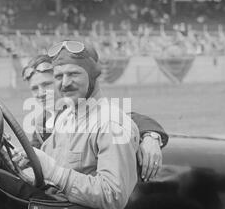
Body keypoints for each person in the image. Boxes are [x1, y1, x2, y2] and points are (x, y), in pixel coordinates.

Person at [13, 41, 163, 209]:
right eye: (58, 76)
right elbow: (44, 164)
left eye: (74, 74)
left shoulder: (111, 122)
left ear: (93, 76)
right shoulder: (64, 118)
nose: (65, 83)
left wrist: (151, 135)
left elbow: (114, 195)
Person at [21, 53, 168, 182]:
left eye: (46, 84)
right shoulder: (42, 123)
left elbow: (126, 119)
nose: (40, 93)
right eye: (34, 88)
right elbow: (34, 154)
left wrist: (151, 136)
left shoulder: (83, 107)